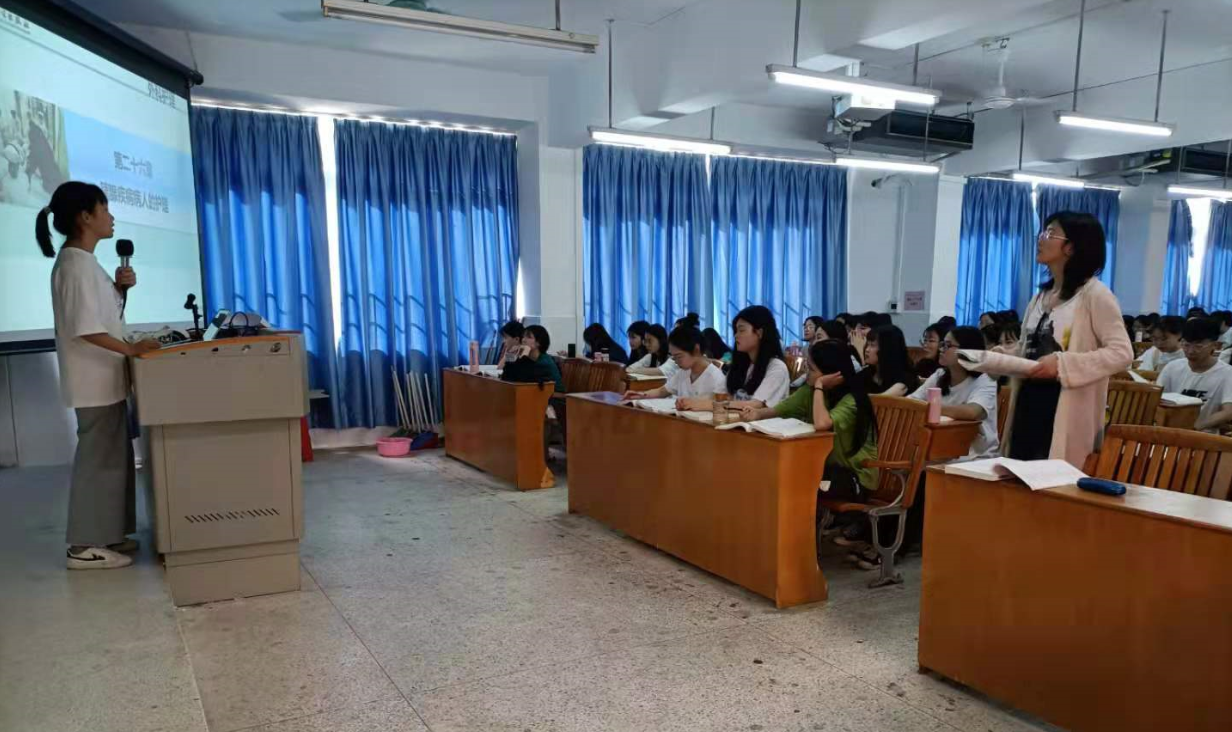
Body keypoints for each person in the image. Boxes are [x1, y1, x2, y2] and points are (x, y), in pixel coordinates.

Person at [38, 182, 161, 570]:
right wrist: (132, 350)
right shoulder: (74, 265)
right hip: (92, 381)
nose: (111, 218)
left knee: (113, 459)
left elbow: (103, 316)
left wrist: (120, 290)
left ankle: (107, 533)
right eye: (104, 209)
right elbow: (85, 328)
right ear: (85, 217)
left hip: (106, 378)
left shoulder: (86, 262)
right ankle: (83, 546)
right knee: (97, 462)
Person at [1003, 211, 1133, 467]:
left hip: (1064, 406)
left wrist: (1062, 364)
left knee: (1053, 478)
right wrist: (999, 357)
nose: (1041, 238)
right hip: (1027, 401)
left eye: (1050, 233)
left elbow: (1122, 353)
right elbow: (1029, 349)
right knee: (1019, 474)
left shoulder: (1095, 295)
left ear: (1072, 247)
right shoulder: (1040, 297)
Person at [741, 340, 877, 501]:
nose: (806, 373)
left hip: (855, 477)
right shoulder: (809, 391)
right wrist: (757, 414)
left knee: (797, 483)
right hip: (825, 469)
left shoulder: (852, 400)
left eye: (811, 369)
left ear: (831, 374)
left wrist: (819, 385)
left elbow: (822, 424)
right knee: (774, 473)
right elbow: (779, 410)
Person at [910, 327, 999, 460]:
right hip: (941, 450)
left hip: (975, 456)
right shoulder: (940, 375)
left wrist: (931, 408)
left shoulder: (985, 380)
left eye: (947, 345)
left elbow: (972, 412)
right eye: (942, 344)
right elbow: (911, 402)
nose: (941, 349)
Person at [679, 305, 789, 411]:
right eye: (735, 331)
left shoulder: (777, 368)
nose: (736, 335)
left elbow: (755, 406)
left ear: (759, 333)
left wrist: (704, 405)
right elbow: (720, 397)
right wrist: (691, 403)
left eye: (741, 330)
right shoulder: (741, 366)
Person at [1157, 318, 1232, 433]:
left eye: (1199, 346)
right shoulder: (1172, 367)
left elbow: (1228, 412)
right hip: (1169, 432)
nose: (1191, 351)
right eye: (1186, 345)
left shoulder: (1227, 373)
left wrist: (1194, 427)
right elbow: (1156, 401)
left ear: (1215, 345)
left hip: (1203, 436)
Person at [623, 326, 727, 402]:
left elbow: (720, 407)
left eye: (679, 356)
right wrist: (641, 395)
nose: (676, 361)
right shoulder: (684, 372)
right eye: (673, 357)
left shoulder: (716, 378)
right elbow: (662, 391)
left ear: (696, 350)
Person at [501, 324, 564, 394]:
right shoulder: (530, 359)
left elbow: (522, 375)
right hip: (537, 394)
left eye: (528, 337)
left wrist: (523, 355)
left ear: (538, 342)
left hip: (555, 397)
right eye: (523, 336)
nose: (523, 340)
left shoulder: (544, 361)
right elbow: (507, 376)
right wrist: (511, 354)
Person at [861, 325, 919, 396]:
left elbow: (882, 399)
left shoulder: (905, 378)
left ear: (887, 349)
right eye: (867, 344)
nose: (867, 349)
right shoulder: (869, 372)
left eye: (872, 345)